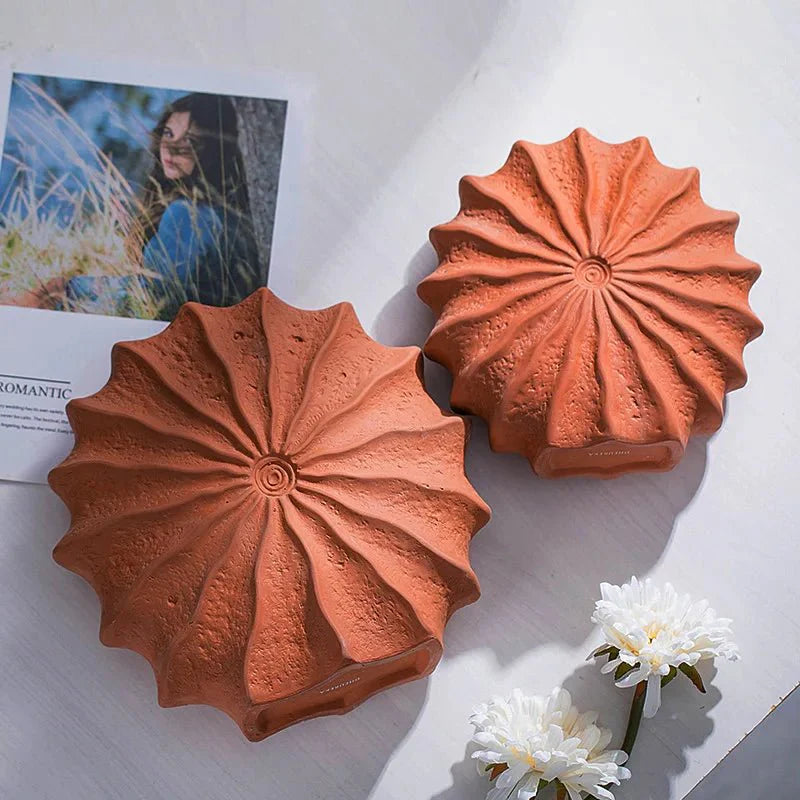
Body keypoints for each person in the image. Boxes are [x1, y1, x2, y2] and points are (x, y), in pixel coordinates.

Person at [132, 92, 261, 318]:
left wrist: (76, 287)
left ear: (215, 151)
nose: (171, 148)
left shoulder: (188, 214)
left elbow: (151, 297)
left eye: (190, 140)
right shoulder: (228, 215)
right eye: (168, 133)